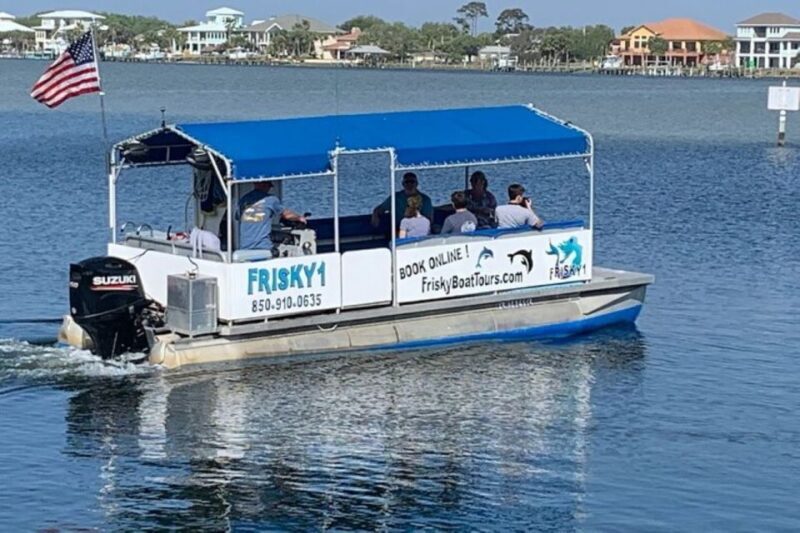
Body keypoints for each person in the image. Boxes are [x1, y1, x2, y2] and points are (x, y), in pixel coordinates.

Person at [237, 181, 306, 251]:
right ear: (265, 186)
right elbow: (287, 215)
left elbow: (237, 217)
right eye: (269, 186)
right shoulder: (271, 199)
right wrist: (300, 218)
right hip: (263, 247)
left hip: (245, 247)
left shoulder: (243, 200)